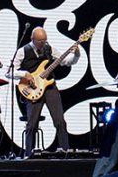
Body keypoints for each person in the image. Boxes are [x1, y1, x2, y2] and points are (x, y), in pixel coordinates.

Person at [8, 26, 80, 157]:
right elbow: (9, 72)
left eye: (44, 40)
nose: (43, 43)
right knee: (32, 124)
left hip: (50, 87)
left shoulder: (49, 48)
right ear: (32, 39)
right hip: (32, 89)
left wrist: (76, 54)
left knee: (60, 121)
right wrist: (25, 74)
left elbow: (66, 61)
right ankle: (29, 154)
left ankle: (65, 151)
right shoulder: (23, 51)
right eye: (40, 41)